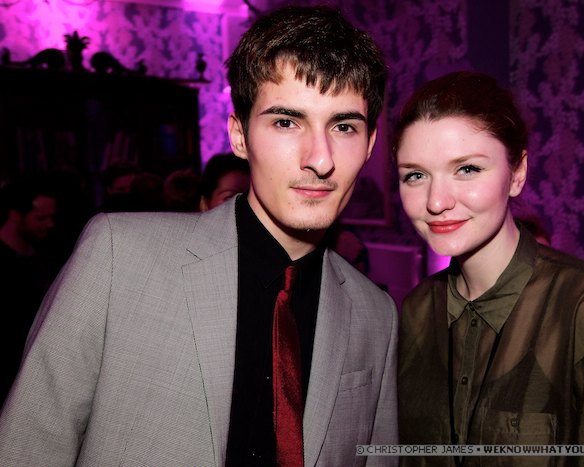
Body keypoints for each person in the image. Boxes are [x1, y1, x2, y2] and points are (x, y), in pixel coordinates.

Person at [0, 6, 397, 466]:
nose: (320, 159)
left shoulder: (377, 314)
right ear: (239, 135)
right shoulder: (117, 257)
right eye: (286, 122)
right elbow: (26, 447)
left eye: (344, 126)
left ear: (369, 145)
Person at [394, 71, 584, 466]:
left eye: (468, 169)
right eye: (415, 175)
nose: (436, 201)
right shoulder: (415, 311)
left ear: (518, 173)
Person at [0, 176, 58, 406]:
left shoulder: (42, 257)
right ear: (16, 216)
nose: (50, 224)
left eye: (51, 217)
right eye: (41, 218)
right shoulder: (6, 264)